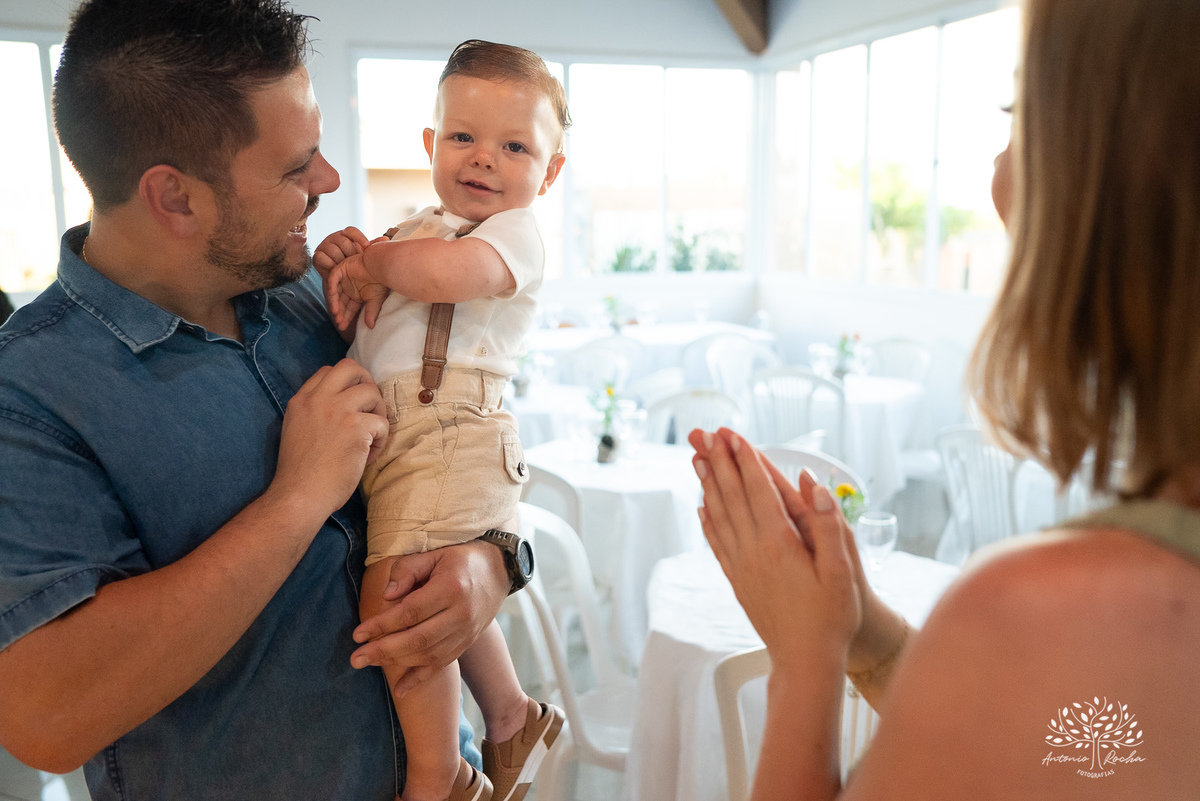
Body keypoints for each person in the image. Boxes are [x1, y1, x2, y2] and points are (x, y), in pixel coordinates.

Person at [0, 2, 517, 799]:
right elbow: (45, 717)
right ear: (174, 199)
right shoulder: (29, 393)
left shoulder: (318, 290)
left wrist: (491, 562)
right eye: (294, 167)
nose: (329, 181)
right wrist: (297, 498)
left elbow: (460, 431)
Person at [689, 0, 1200, 797]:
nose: (997, 180)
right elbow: (1061, 758)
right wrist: (869, 635)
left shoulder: (1047, 608)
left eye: (1021, 112)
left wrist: (803, 659)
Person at [313, 40, 568, 801]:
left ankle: (441, 774)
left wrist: (379, 261)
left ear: (548, 173)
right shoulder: (412, 229)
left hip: (453, 427)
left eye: (514, 146)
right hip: (399, 437)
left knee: (398, 599)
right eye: (463, 137)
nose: (484, 159)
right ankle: (512, 713)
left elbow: (451, 276)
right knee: (433, 590)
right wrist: (342, 263)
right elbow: (360, 323)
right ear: (430, 145)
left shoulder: (513, 234)